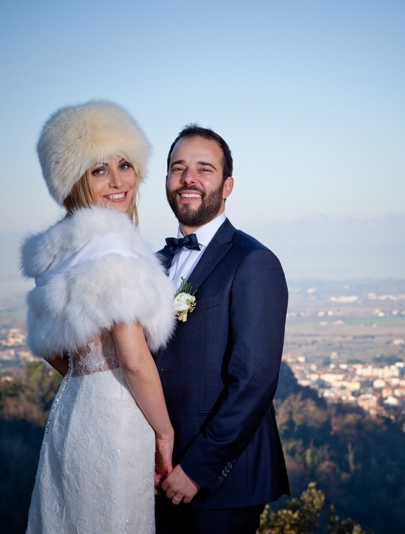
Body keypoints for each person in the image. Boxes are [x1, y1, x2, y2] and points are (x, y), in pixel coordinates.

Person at [22, 100, 176, 533]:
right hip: (118, 419)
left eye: (124, 164)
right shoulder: (113, 245)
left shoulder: (54, 254)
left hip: (71, 412)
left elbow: (55, 353)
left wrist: (88, 375)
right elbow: (134, 359)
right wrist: (164, 434)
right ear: (73, 180)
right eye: (98, 170)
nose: (117, 181)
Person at [155, 125, 290, 533]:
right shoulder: (153, 263)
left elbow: (254, 381)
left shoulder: (253, 261)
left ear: (227, 185)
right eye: (178, 168)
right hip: (154, 475)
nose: (188, 178)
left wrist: (197, 468)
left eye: (204, 169)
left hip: (222, 487)